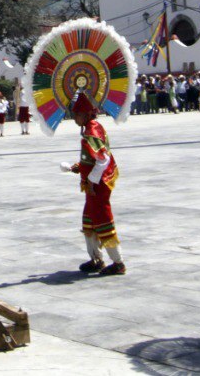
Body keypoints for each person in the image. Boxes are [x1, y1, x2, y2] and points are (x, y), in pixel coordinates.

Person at [62, 93, 125, 276]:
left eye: (77, 114)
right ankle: (96, 258)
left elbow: (103, 160)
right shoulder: (90, 128)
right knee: (89, 221)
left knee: (103, 220)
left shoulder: (92, 130)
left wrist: (90, 180)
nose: (75, 117)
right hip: (93, 184)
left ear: (87, 114)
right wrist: (79, 167)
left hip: (98, 185)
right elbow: (92, 158)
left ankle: (118, 262)